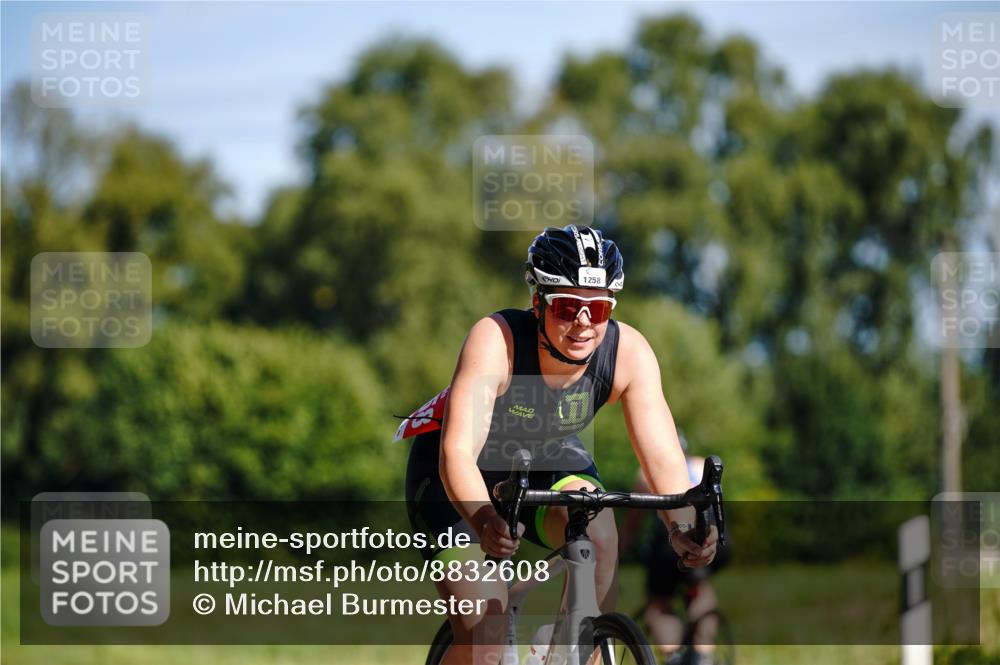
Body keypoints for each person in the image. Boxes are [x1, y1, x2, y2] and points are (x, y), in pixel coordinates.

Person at [398, 225, 718, 665]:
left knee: (599, 528)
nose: (583, 322)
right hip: (454, 479)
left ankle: (574, 649)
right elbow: (457, 453)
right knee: (485, 636)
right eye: (568, 307)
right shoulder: (497, 339)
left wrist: (681, 527)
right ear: (538, 303)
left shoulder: (629, 353)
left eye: (598, 309)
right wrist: (484, 518)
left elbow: (663, 458)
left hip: (544, 456)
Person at [621, 433, 729, 665]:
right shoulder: (700, 465)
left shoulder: (644, 475)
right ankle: (703, 655)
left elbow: (633, 525)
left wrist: (618, 554)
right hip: (711, 534)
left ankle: (672, 656)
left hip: (670, 541)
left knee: (659, 603)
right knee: (700, 588)